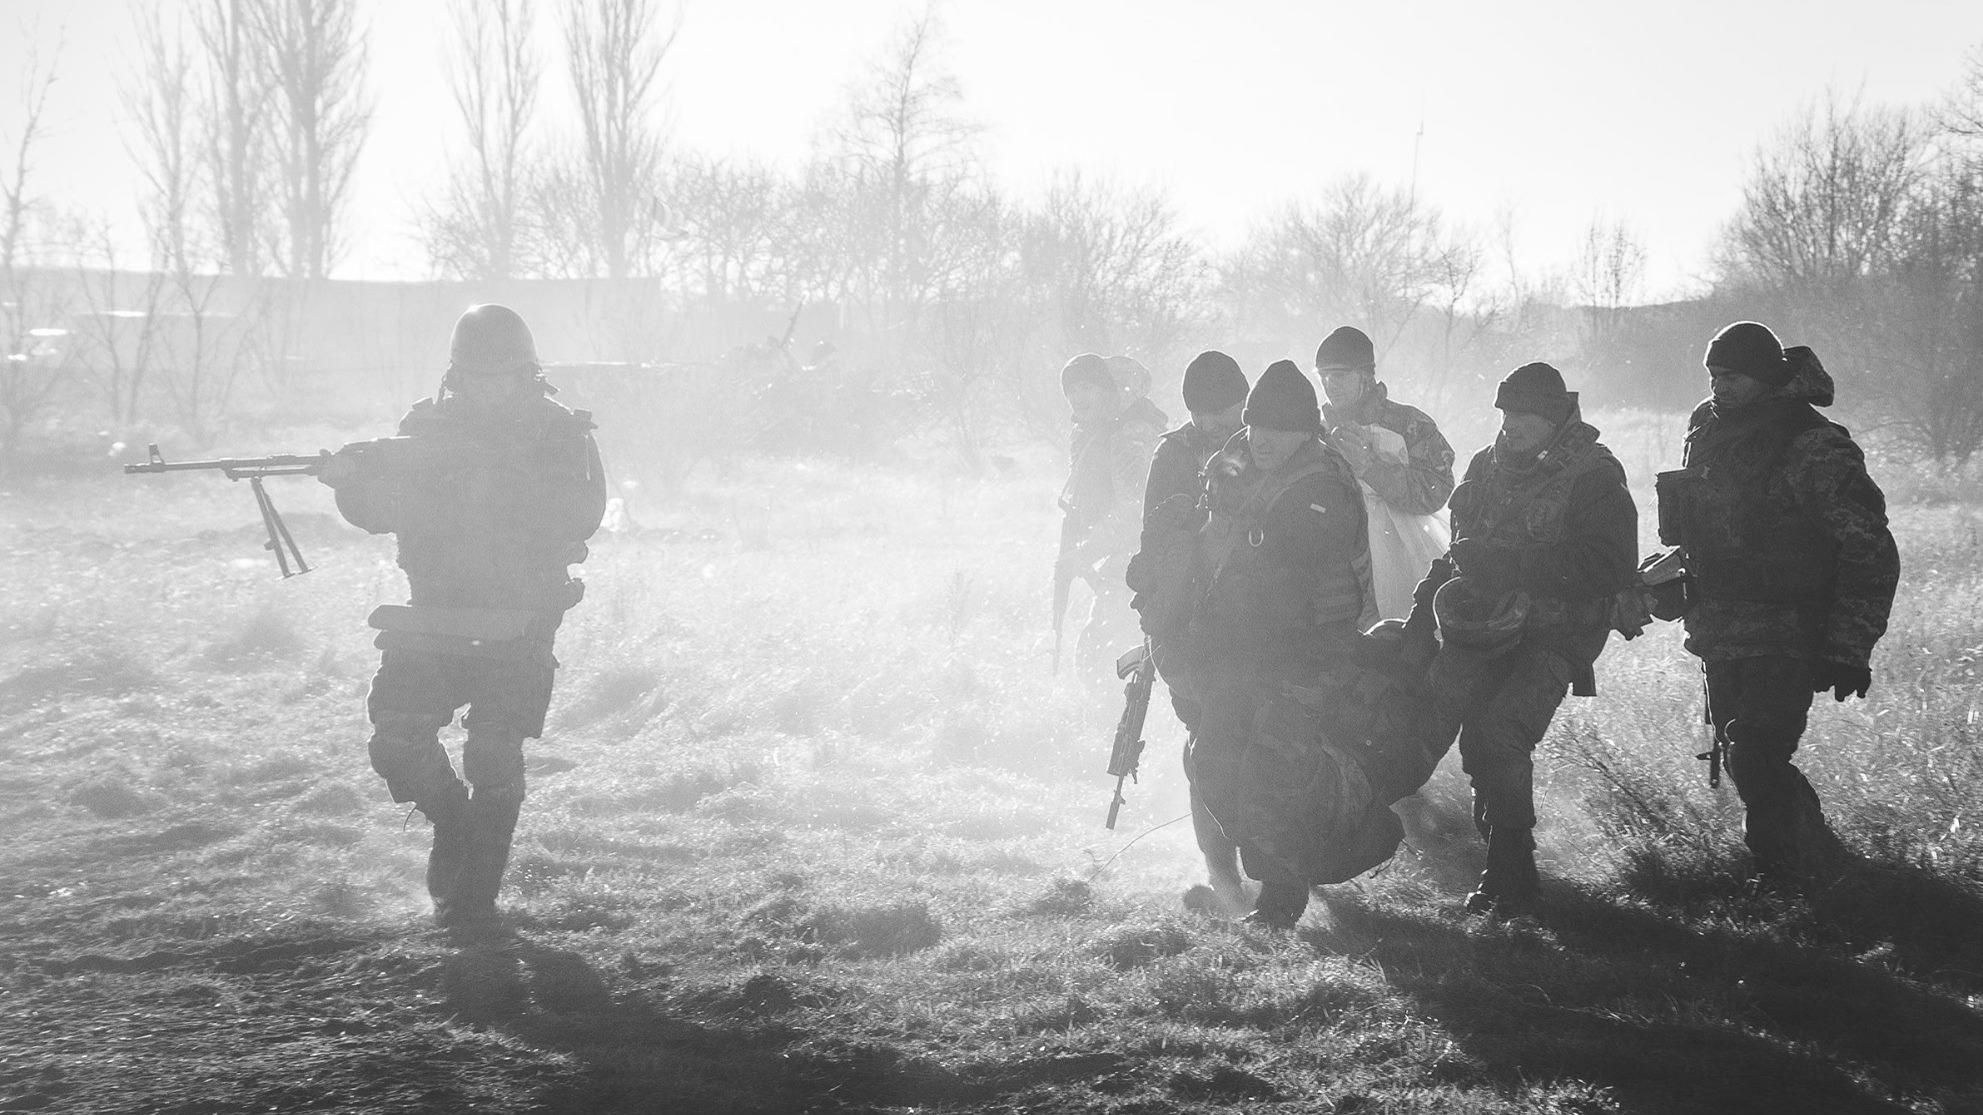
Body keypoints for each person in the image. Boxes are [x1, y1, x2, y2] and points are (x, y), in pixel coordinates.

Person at [319, 304, 608, 930]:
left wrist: (492, 480)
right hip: (434, 613)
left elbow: (581, 515)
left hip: (521, 615)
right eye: (478, 376)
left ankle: (477, 885)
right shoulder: (423, 430)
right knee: (396, 740)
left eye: (503, 376)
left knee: (493, 751)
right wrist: (348, 482)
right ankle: (455, 826)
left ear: (527, 374)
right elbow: (379, 511)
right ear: (457, 375)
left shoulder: (561, 434)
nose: (490, 389)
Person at [1660, 322, 1897, 885]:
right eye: (1714, 375)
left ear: (1766, 377)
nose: (1720, 387)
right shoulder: (1708, 426)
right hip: (1720, 626)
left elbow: (1869, 550)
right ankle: (1824, 865)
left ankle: (1785, 881)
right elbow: (1706, 521)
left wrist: (1849, 645)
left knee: (1757, 756)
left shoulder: (1816, 444)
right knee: (1746, 759)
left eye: (1733, 377)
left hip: (1790, 628)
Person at [1169, 359, 1376, 927]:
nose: (1261, 441)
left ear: (1305, 432)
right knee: (1210, 756)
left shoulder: (1321, 487)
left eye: (1277, 432)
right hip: (1250, 649)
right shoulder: (1236, 465)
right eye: (1256, 428)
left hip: (1314, 653)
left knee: (1270, 762)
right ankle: (1272, 868)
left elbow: (1283, 586)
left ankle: (1282, 899)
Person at [1444, 362, 1636, 918]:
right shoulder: (1487, 465)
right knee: (1476, 741)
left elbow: (1610, 563)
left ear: (1555, 416)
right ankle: (1505, 860)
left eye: (1527, 413)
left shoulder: (1594, 473)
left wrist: (1514, 565)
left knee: (1501, 731)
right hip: (1486, 628)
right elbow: (1460, 547)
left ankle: (1511, 874)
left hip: (1559, 630)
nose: (1514, 424)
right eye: (1506, 412)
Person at [1316, 326, 1456, 620]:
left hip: (1404, 564)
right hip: (1340, 569)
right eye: (1323, 377)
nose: (1330, 385)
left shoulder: (1409, 425)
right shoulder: (1317, 432)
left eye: (1339, 375)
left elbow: (1436, 491)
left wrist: (1371, 467)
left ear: (1366, 376)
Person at [1056, 352, 1167, 680]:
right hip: (1122, 557)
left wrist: (1086, 552)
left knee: (1104, 653)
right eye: (1071, 390)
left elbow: (1137, 513)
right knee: (1102, 651)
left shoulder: (1129, 434)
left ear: (1107, 391)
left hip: (1140, 556)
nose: (1078, 397)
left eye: (1087, 387)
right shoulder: (1095, 432)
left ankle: (1118, 721)